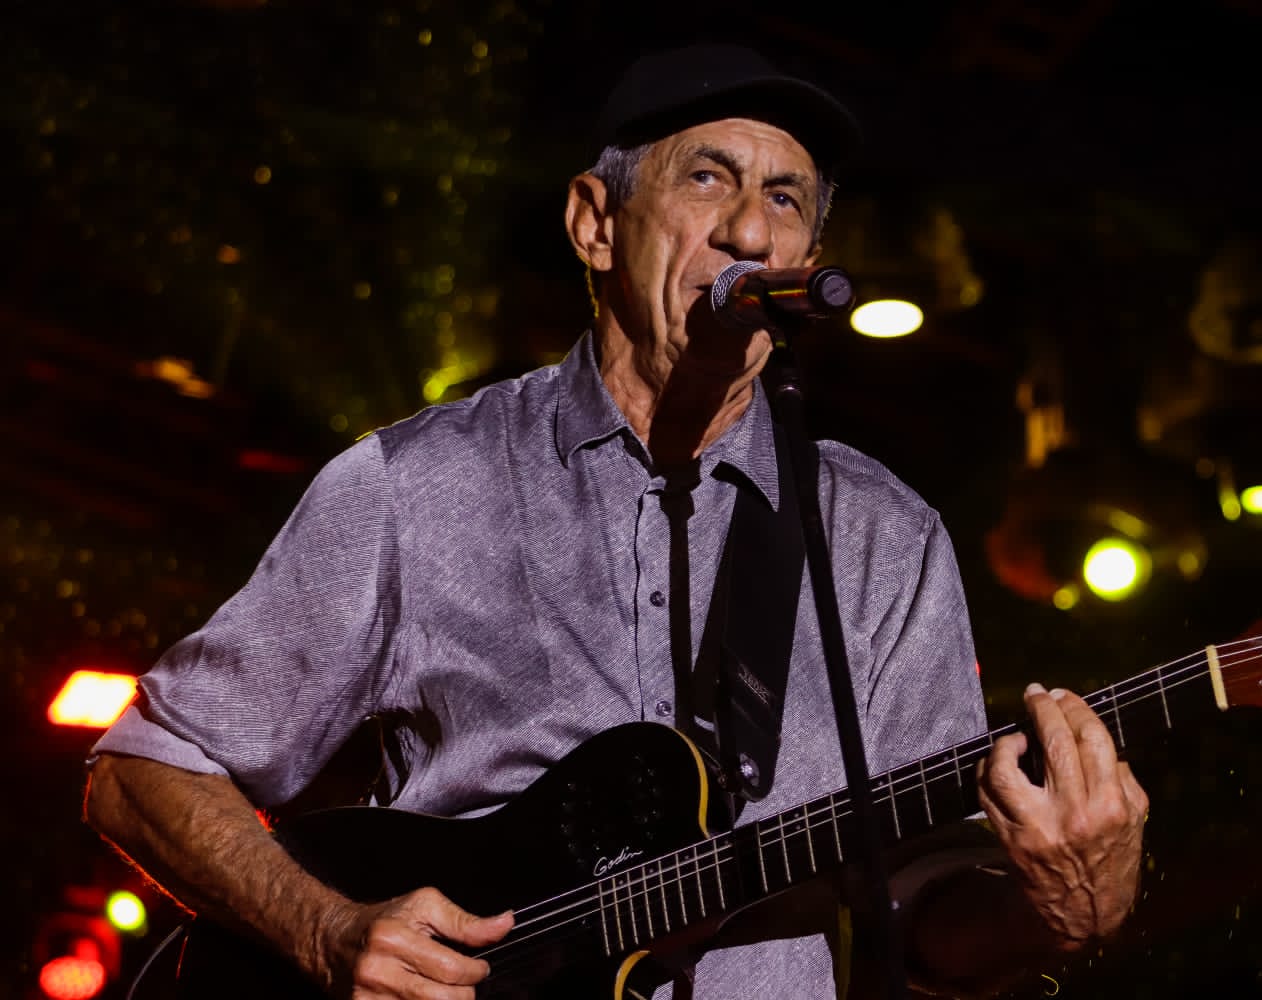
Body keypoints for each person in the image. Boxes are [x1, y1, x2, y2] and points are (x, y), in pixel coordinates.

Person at [84, 43, 1148, 1000]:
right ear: (595, 224)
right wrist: (325, 930)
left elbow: (926, 926)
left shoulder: (883, 538)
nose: (749, 229)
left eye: (786, 200)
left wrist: (1055, 911)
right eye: (708, 178)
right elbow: (142, 768)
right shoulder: (416, 484)